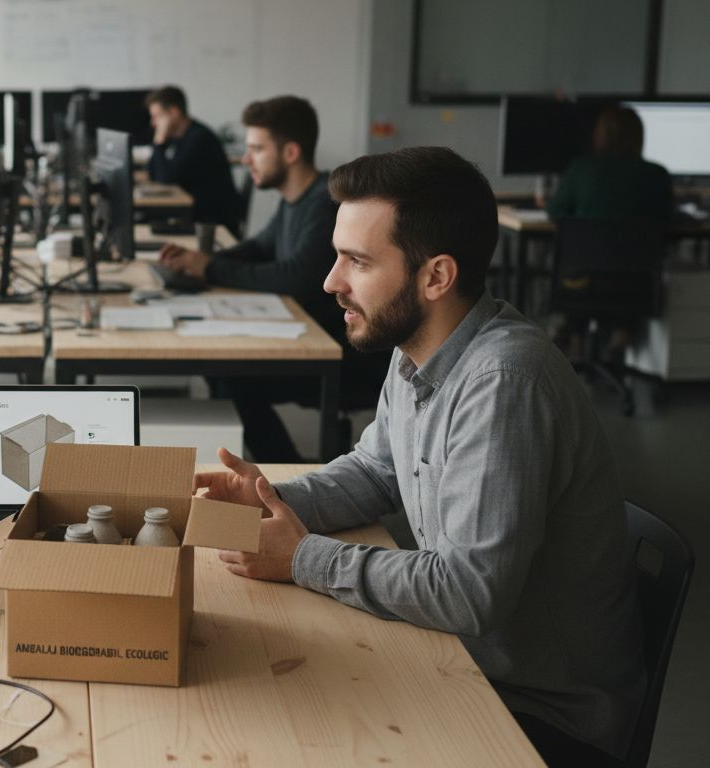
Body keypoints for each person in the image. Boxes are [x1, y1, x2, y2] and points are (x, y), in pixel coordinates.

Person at [198, 146, 645, 767]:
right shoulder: (417, 347)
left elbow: (466, 592)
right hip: (463, 662)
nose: (331, 282)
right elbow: (376, 470)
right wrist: (271, 501)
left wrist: (300, 557)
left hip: (534, 715)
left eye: (357, 261)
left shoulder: (502, 383)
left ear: (436, 277)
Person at [159, 95, 388, 461]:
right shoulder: (294, 200)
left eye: (257, 149)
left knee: (231, 378)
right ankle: (282, 468)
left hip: (340, 353)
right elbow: (260, 247)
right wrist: (200, 261)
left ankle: (287, 471)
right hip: (306, 338)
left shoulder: (325, 203)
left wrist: (209, 268)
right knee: (222, 373)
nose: (246, 159)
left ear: (291, 152)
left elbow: (296, 278)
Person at [547, 105, 674, 359]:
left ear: (600, 134)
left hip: (580, 284)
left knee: (585, 272)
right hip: (636, 287)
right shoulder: (656, 174)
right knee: (624, 278)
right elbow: (667, 219)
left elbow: (555, 212)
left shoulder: (581, 169)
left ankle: (575, 339)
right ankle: (621, 336)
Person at [145, 85, 242, 233]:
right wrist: (161, 144)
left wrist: (159, 143)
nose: (153, 123)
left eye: (157, 116)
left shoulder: (199, 137)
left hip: (211, 222)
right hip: (195, 215)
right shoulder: (178, 137)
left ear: (174, 112)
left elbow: (166, 179)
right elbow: (152, 173)